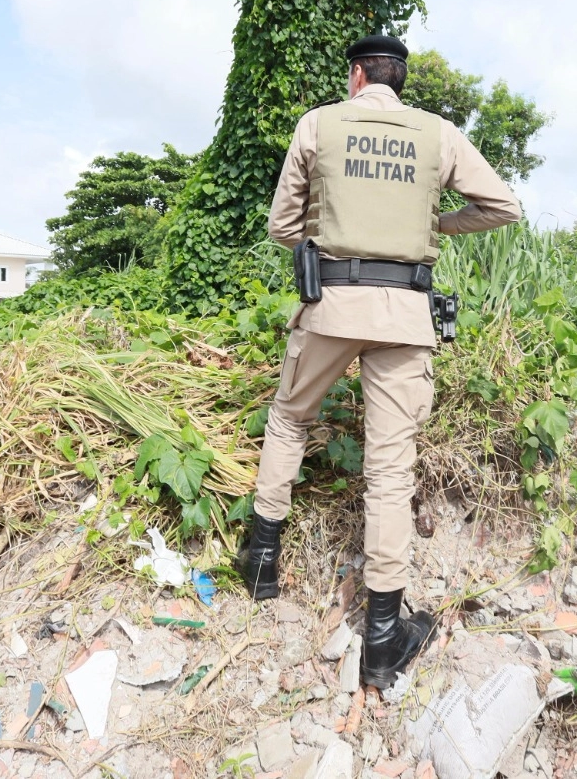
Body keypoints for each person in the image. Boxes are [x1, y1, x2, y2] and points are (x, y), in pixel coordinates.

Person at [235, 35, 522, 689]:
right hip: (404, 314)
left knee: (288, 421)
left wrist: (331, 227)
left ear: (357, 74)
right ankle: (386, 642)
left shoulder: (320, 124)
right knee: (391, 468)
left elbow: (283, 227)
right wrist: (432, 226)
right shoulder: (437, 133)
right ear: (398, 78)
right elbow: (502, 206)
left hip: (331, 305)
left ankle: (261, 566)